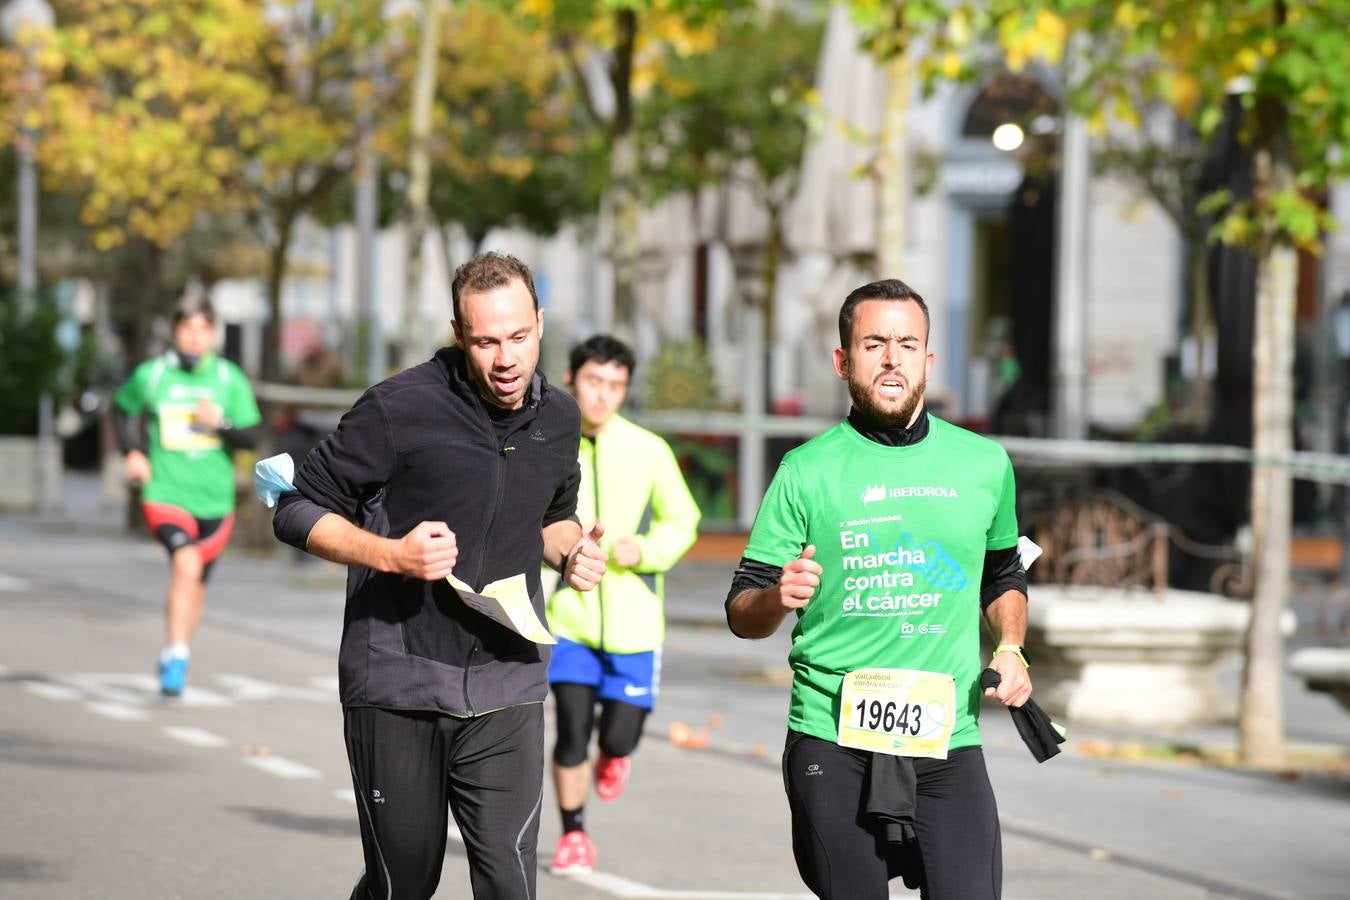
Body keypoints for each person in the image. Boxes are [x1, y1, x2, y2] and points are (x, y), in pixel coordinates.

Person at [271, 251, 607, 900]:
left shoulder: (561, 419)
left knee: (512, 884)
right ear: (459, 335)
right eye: (485, 341)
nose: (504, 359)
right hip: (400, 680)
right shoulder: (400, 409)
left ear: (540, 322)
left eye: (517, 337)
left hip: (508, 678)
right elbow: (294, 508)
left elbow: (554, 518)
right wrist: (390, 554)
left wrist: (571, 553)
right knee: (406, 885)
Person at [725, 278, 1032, 900]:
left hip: (946, 734)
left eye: (907, 344)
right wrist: (777, 596)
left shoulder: (984, 464)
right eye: (874, 344)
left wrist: (1011, 646)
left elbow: (1002, 575)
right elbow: (741, 611)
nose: (892, 358)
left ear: (928, 359)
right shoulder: (805, 471)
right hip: (833, 736)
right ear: (843, 361)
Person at [544, 335, 701, 875]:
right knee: (569, 731)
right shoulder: (547, 442)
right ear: (571, 380)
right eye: (593, 381)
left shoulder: (648, 449)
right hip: (568, 622)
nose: (603, 395)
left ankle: (615, 756)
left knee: (617, 735)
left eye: (615, 385)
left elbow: (683, 520)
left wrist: (647, 551)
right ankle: (575, 835)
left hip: (635, 627)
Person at [113, 293, 262, 697]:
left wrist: (221, 422)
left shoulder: (229, 379)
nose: (194, 338)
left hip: (215, 500)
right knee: (186, 565)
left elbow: (251, 435)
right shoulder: (154, 374)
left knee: (197, 584)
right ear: (175, 332)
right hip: (166, 493)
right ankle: (176, 654)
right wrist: (132, 453)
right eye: (186, 329)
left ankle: (180, 649)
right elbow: (121, 408)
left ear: (212, 334)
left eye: (202, 330)